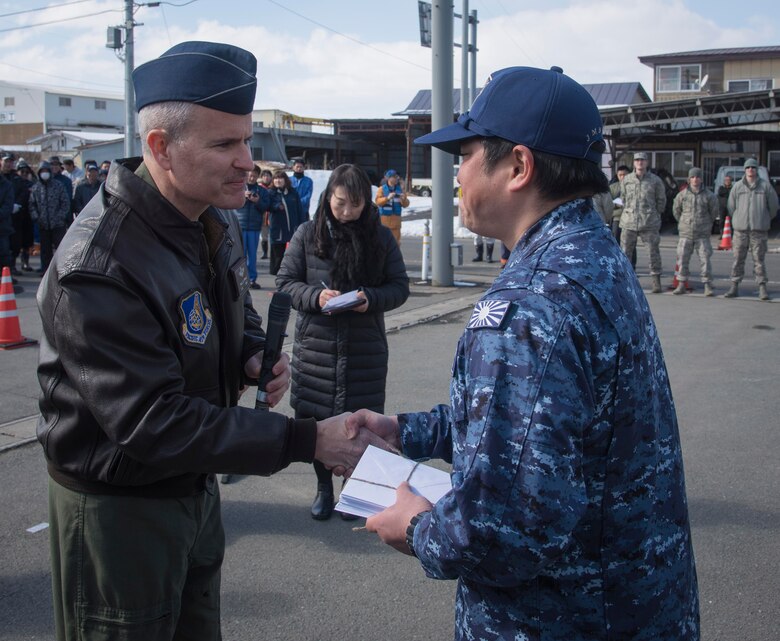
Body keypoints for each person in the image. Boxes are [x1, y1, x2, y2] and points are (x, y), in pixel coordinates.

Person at [35, 41, 385, 641]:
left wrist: (249, 356)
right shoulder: (99, 262)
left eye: (247, 140)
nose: (248, 161)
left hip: (192, 486)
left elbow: (230, 312)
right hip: (122, 508)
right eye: (225, 144)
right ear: (161, 148)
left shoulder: (207, 216)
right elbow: (154, 420)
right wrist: (308, 439)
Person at [347, 65, 699, 641]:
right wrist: (404, 432)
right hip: (634, 605)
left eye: (464, 153)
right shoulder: (593, 254)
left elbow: (504, 533)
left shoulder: (528, 304)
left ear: (518, 167)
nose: (455, 172)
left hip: (560, 620)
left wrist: (414, 527)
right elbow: (548, 424)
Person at [276, 163, 410, 520]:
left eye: (356, 204)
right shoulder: (307, 234)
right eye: (340, 203)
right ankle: (323, 487)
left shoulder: (380, 238)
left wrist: (371, 297)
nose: (347, 212)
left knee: (360, 423)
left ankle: (354, 489)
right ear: (327, 198)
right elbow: (286, 282)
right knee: (315, 421)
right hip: (316, 347)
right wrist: (315, 298)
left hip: (363, 349)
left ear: (367, 201)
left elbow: (399, 287)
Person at [725, 158, 779, 300]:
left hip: (758, 231)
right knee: (737, 260)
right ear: (745, 169)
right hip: (740, 231)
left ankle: (762, 287)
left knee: (759, 260)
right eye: (748, 167)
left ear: (757, 170)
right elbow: (731, 207)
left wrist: (763, 218)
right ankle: (734, 286)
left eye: (753, 167)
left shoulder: (765, 187)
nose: (750, 170)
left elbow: (773, 207)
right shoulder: (737, 187)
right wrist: (739, 218)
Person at [619, 151, 666, 292]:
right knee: (625, 253)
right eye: (637, 160)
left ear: (647, 163)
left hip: (649, 222)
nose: (640, 162)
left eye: (643, 160)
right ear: (634, 163)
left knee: (653, 253)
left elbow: (661, 201)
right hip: (629, 221)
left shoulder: (655, 180)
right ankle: (625, 282)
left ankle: (656, 281)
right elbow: (623, 198)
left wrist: (654, 215)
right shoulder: (627, 180)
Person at [671, 167, 719, 296]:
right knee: (682, 260)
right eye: (692, 177)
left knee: (705, 260)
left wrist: (706, 224)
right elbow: (676, 210)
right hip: (685, 233)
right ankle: (681, 284)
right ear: (689, 179)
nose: (695, 179)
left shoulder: (709, 195)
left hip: (702, 234)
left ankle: (707, 285)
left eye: (697, 177)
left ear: (701, 179)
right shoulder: (682, 195)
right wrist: (684, 222)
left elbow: (714, 212)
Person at [29, 160, 70, 274]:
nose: (45, 173)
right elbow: (32, 205)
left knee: (60, 249)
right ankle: (46, 270)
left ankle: (62, 270)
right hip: (43, 225)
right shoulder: (36, 188)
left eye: (47, 171)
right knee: (45, 250)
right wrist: (37, 218)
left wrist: (60, 217)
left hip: (58, 225)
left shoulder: (58, 185)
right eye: (42, 171)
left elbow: (65, 203)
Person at [235, 164, 270, 289]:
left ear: (257, 177)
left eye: (254, 175)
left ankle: (252, 279)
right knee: (240, 255)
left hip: (254, 227)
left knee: (252, 255)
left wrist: (257, 201)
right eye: (250, 175)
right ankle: (239, 279)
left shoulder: (262, 191)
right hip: (240, 225)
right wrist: (242, 197)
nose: (251, 177)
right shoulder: (238, 188)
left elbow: (266, 207)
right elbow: (233, 204)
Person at [268, 169, 304, 275]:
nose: (278, 181)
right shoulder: (271, 193)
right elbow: (266, 206)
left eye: (280, 178)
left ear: (285, 180)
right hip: (278, 229)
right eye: (276, 179)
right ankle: (277, 278)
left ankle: (289, 274)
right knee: (277, 256)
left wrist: (302, 225)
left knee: (293, 254)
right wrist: (276, 206)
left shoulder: (293, 193)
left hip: (292, 228)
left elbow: (299, 210)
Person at [375, 168, 409, 244]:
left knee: (396, 244)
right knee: (383, 243)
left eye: (397, 176)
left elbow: (406, 204)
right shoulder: (382, 189)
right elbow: (377, 202)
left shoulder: (400, 189)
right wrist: (387, 198)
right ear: (389, 178)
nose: (397, 178)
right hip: (384, 222)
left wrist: (403, 200)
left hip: (396, 222)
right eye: (394, 177)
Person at [258, 168, 273, 259]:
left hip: (272, 215)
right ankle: (265, 253)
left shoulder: (274, 187)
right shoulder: (259, 188)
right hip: (263, 216)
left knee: (273, 236)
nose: (266, 178)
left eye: (268, 176)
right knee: (264, 236)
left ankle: (273, 253)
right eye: (264, 176)